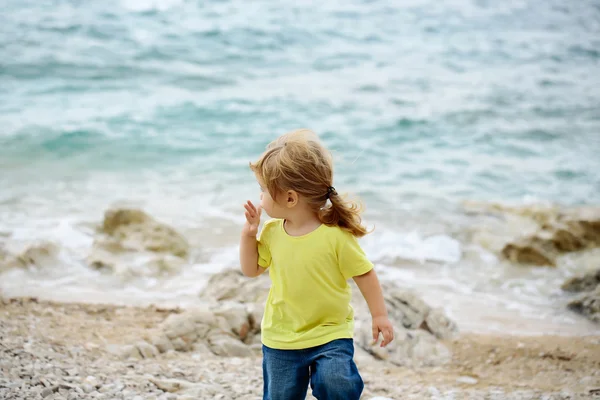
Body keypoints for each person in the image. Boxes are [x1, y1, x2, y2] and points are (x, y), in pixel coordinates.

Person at [239, 129, 394, 400]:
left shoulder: (335, 236)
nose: (260, 196)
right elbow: (251, 270)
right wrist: (249, 234)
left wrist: (379, 315)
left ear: (290, 198)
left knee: (336, 381)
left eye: (263, 190)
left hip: (330, 332)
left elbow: (365, 273)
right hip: (282, 335)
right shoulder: (273, 233)